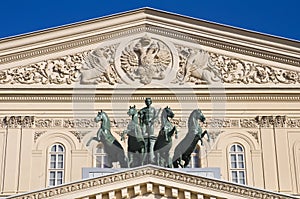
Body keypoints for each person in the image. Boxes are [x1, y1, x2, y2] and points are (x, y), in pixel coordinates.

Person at [138, 98, 160, 164]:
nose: (148, 103)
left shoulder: (153, 110)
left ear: (151, 102)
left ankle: (151, 156)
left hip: (151, 124)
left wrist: (153, 120)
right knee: (143, 135)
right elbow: (139, 113)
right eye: (147, 102)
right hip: (145, 123)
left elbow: (156, 117)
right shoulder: (144, 109)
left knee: (151, 136)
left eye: (149, 101)